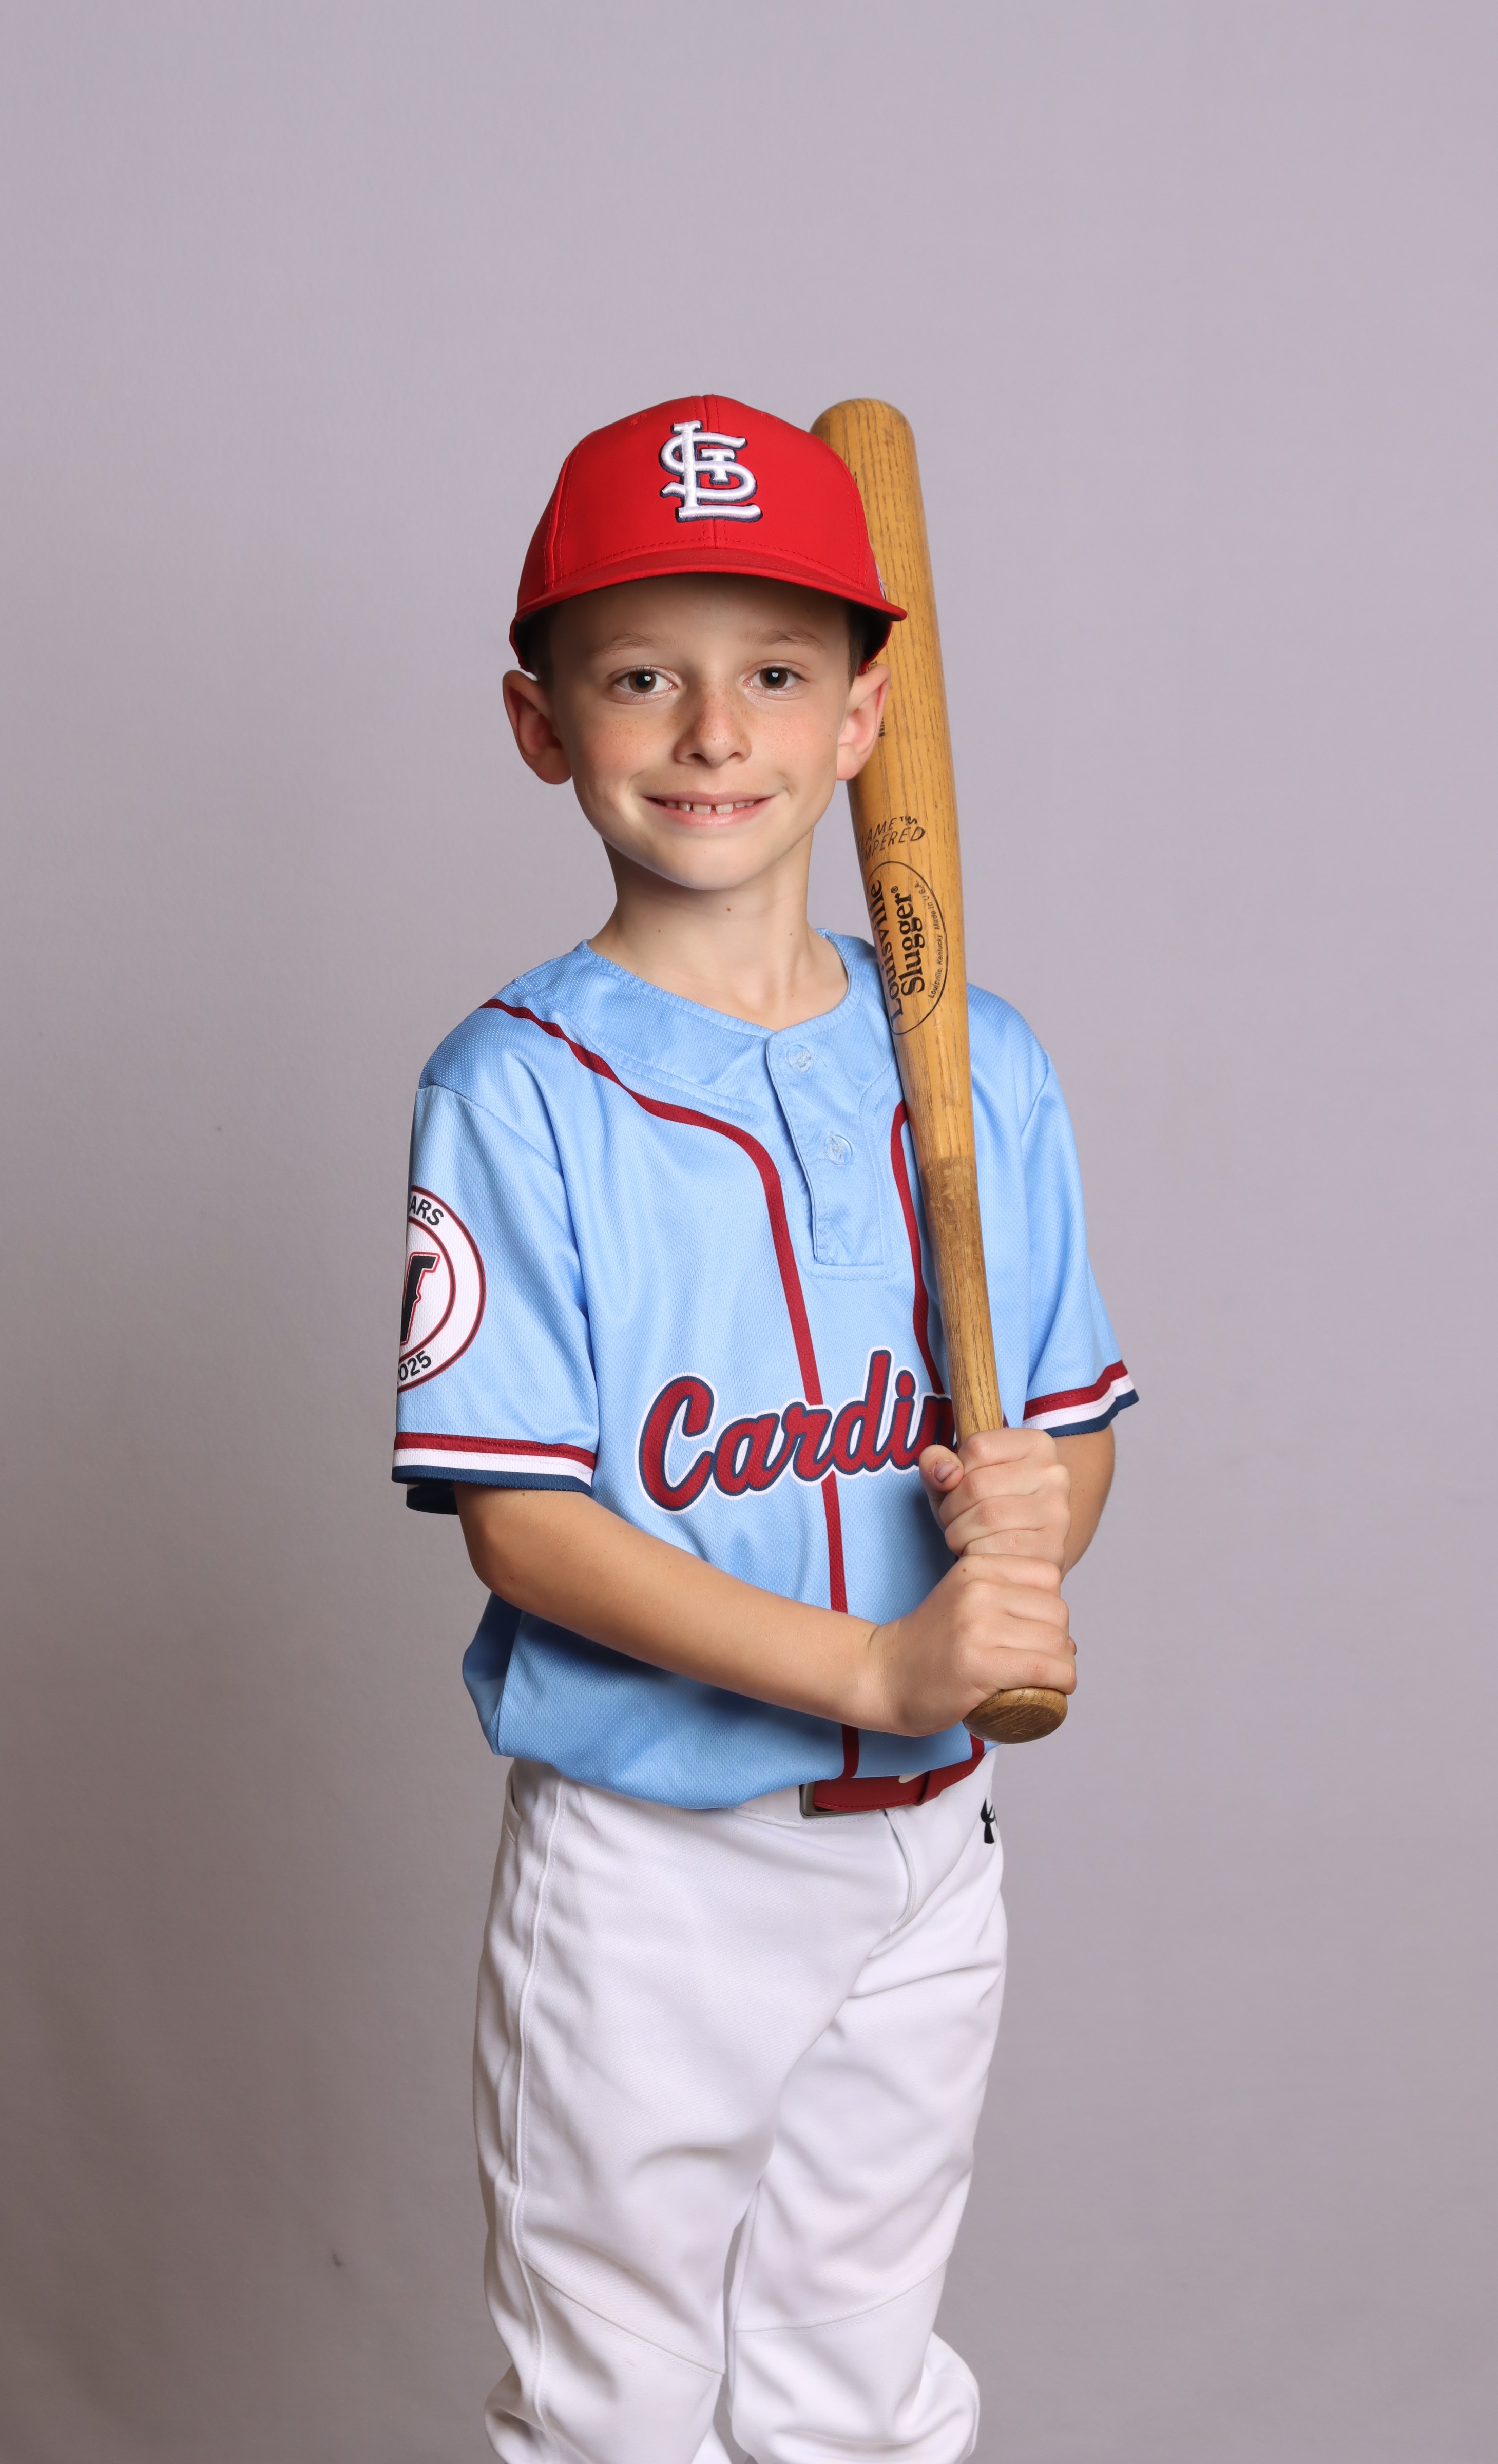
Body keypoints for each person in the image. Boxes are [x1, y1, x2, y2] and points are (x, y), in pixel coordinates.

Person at [393, 395, 1136, 2464]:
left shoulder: (981, 1063)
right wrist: (881, 1665)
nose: (715, 730)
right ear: (541, 722)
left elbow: (1065, 1432)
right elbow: (523, 1526)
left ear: (865, 719)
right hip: (653, 1868)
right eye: (642, 674)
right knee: (616, 2406)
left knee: (858, 2395)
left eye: (779, 675)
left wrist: (1039, 1521)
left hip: (926, 1853)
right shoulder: (512, 1089)